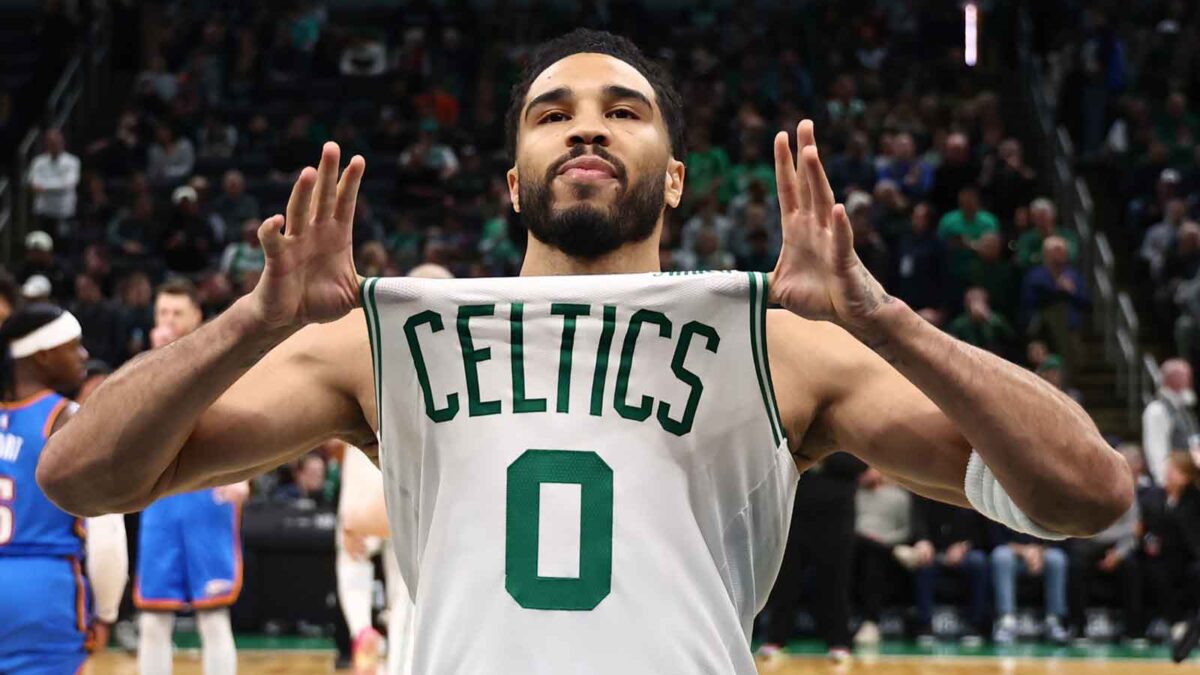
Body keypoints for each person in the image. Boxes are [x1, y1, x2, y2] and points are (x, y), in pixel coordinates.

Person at [40, 30, 1131, 674]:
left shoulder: (779, 341)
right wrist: (253, 320)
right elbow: (82, 476)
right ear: (513, 184)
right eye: (552, 112)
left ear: (677, 175)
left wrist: (884, 318)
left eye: (625, 110)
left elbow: (1086, 492)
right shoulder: (391, 338)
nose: (588, 126)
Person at [0, 304, 127, 674]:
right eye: (74, 346)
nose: (84, 355)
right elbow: (107, 533)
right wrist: (106, 612)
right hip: (41, 589)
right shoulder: (67, 420)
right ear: (42, 355)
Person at [133, 280, 248, 675]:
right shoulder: (141, 365)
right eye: (162, 312)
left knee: (213, 615)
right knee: (152, 617)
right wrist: (153, 359)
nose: (168, 320)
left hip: (207, 490)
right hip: (159, 495)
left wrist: (242, 472)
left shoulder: (219, 358)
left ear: (197, 316)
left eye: (177, 313)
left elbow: (240, 417)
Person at [1142, 358, 1199, 487]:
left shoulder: (1185, 411)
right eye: (1182, 377)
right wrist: (1164, 482)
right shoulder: (1157, 410)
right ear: (1169, 380)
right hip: (1172, 483)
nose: (1187, 382)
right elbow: (1156, 449)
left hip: (1189, 480)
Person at [27, 128, 81, 236]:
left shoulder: (72, 161)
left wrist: (44, 187)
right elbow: (34, 183)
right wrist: (57, 184)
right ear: (46, 144)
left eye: (56, 142)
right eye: (50, 143)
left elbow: (68, 184)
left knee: (64, 242)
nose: (54, 145)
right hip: (42, 210)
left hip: (64, 211)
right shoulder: (38, 162)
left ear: (62, 143)